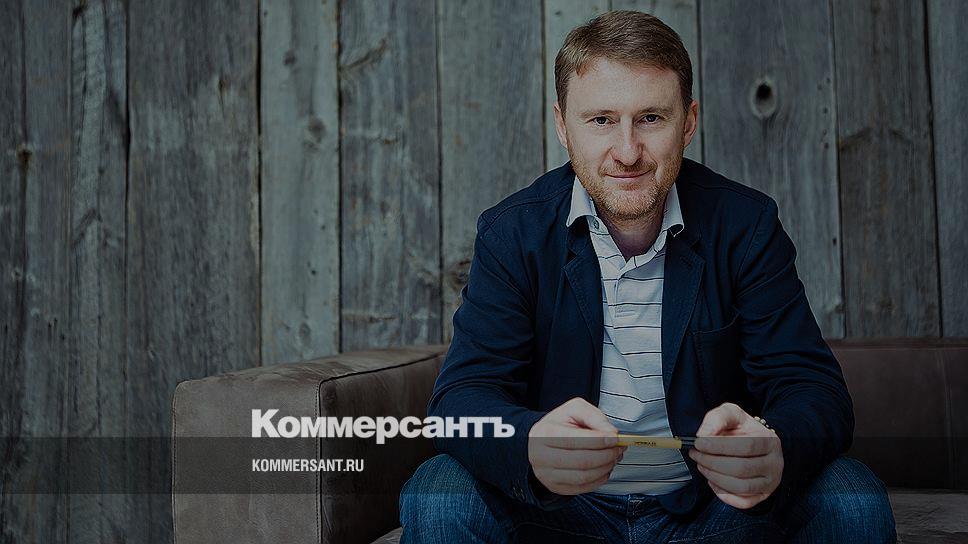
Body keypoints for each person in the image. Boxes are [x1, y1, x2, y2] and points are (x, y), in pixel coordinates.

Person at [400, 10, 895, 543]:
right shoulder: (511, 234)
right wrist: (530, 444)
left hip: (713, 509)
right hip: (561, 513)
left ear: (689, 122)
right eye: (601, 120)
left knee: (852, 498)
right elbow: (462, 399)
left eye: (651, 118)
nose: (628, 152)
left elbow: (813, 389)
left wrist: (772, 446)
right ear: (563, 126)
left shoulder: (746, 226)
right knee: (438, 492)